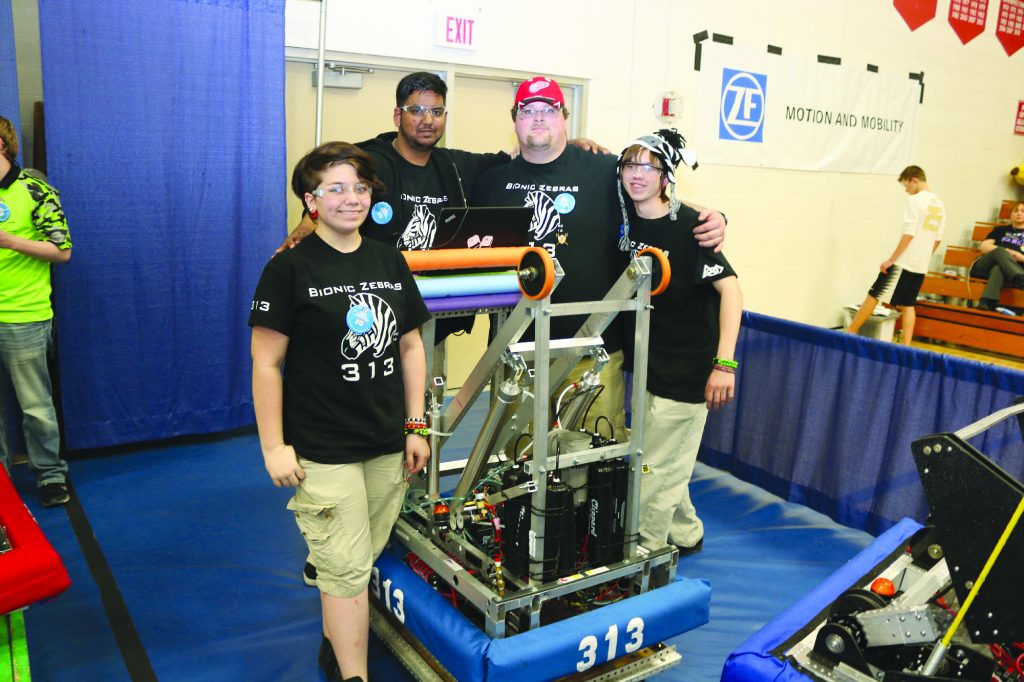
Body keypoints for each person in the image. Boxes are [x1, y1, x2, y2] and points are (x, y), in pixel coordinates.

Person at [250, 142, 431, 682]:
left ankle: (335, 640)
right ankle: (353, 675)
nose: (350, 198)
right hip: (322, 446)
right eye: (335, 188)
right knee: (347, 571)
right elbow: (266, 362)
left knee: (359, 556)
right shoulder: (289, 270)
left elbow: (412, 348)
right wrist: (273, 446)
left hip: (383, 440)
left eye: (359, 187)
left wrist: (415, 424)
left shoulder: (386, 258)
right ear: (311, 200)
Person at [471, 76, 728, 438]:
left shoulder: (605, 169)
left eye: (549, 110)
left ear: (565, 116)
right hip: (516, 350)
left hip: (593, 350)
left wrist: (714, 216)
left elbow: (658, 201)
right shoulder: (491, 181)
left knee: (593, 462)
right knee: (513, 463)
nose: (539, 118)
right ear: (514, 119)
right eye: (529, 111)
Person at [616, 129, 742, 555]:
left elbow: (732, 292)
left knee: (653, 468)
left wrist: (725, 364)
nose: (636, 175)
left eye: (648, 167)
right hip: (649, 366)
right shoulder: (625, 217)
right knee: (662, 459)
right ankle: (686, 533)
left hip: (688, 369)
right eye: (630, 165)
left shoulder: (692, 228)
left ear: (666, 175)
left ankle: (646, 552)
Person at [0, 115, 72, 507]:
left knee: (34, 405)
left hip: (24, 315)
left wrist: (10, 240)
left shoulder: (35, 190)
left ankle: (49, 474)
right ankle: (2, 485)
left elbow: (63, 251)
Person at [845, 165, 945, 345]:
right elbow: (938, 239)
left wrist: (891, 260)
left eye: (907, 186)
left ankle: (851, 331)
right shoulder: (940, 205)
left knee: (875, 293)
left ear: (914, 179)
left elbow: (909, 233)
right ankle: (905, 347)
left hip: (904, 261)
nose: (907, 191)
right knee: (908, 304)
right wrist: (923, 255)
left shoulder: (915, 201)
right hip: (921, 264)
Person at [970, 200, 1024, 312]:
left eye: (1023, 211)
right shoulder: (1000, 230)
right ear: (1011, 214)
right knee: (1000, 251)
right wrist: (1007, 252)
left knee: (999, 268)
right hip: (986, 265)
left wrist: (1020, 257)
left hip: (1015, 267)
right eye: (1016, 211)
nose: (1019, 213)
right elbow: (984, 247)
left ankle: (986, 302)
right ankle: (1020, 279)